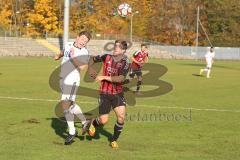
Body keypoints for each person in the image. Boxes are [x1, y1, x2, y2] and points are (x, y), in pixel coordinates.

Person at [87, 40, 129, 149]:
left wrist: (103, 77)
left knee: (121, 117)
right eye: (115, 46)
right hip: (104, 93)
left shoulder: (125, 62)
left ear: (123, 50)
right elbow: (91, 59)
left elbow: (121, 78)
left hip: (118, 93)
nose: (115, 48)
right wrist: (91, 69)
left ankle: (113, 139)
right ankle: (92, 122)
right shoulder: (106, 57)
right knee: (103, 120)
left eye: (119, 47)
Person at [54, 31, 92, 145]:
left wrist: (73, 57)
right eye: (82, 39)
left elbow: (84, 67)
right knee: (70, 104)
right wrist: (58, 56)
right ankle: (85, 121)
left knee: (65, 104)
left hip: (72, 80)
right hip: (63, 78)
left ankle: (72, 131)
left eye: (86, 41)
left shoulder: (84, 52)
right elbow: (63, 51)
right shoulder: (69, 44)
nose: (83, 42)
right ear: (77, 38)